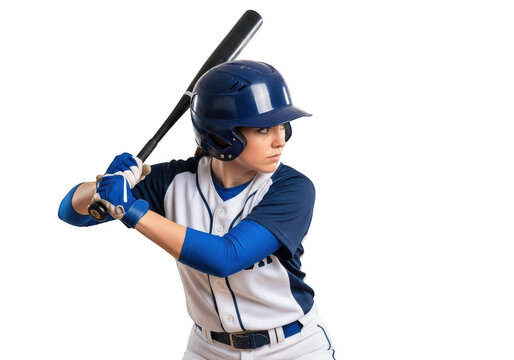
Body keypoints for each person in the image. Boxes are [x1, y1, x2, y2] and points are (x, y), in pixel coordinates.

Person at [58, 60, 336, 359]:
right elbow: (71, 212)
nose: (280, 139)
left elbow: (226, 257)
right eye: (264, 128)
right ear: (223, 135)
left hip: (292, 348)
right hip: (207, 349)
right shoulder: (175, 180)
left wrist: (132, 211)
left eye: (282, 125)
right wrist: (107, 183)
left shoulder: (292, 188)